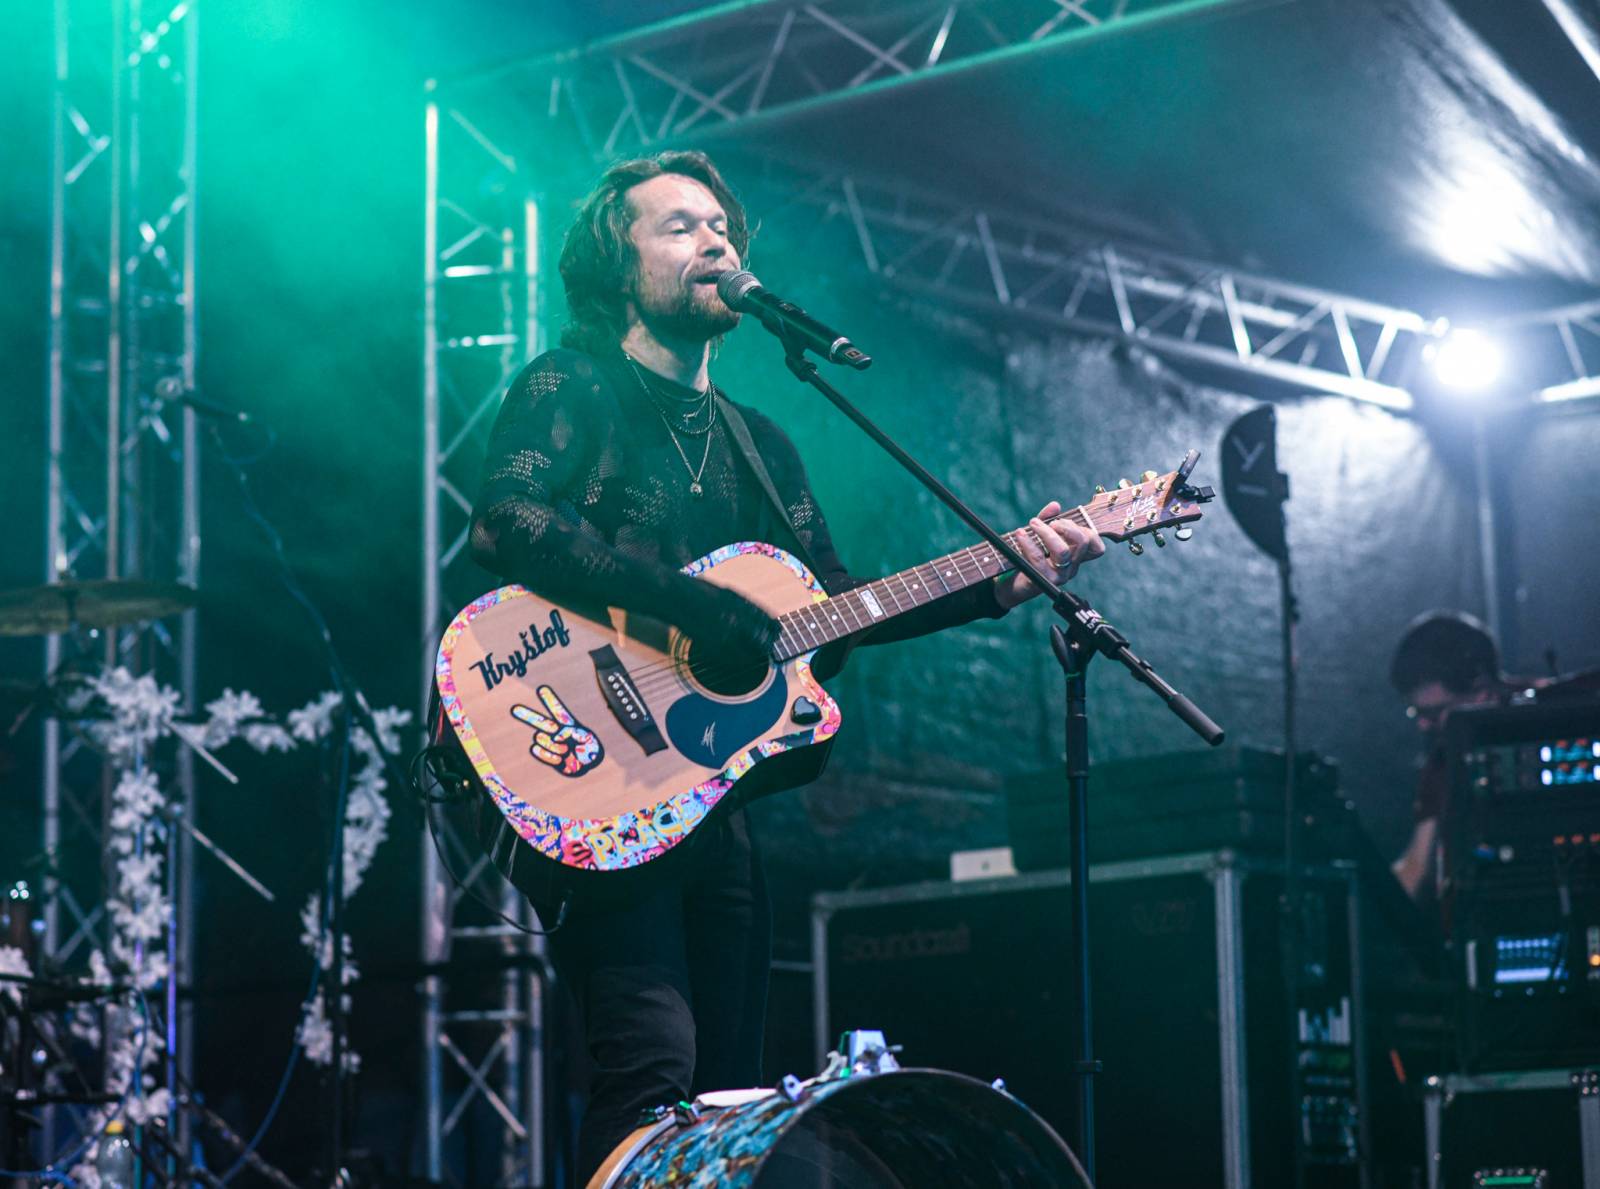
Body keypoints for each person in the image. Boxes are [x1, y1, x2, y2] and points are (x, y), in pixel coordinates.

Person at [466, 149, 1103, 1182]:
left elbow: (836, 612)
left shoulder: (759, 441)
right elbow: (507, 520)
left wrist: (1001, 575)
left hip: (711, 800)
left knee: (723, 1093)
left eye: (720, 226)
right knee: (649, 1065)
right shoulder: (570, 381)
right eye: (677, 226)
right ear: (614, 264)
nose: (713, 240)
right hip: (586, 762)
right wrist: (693, 608)